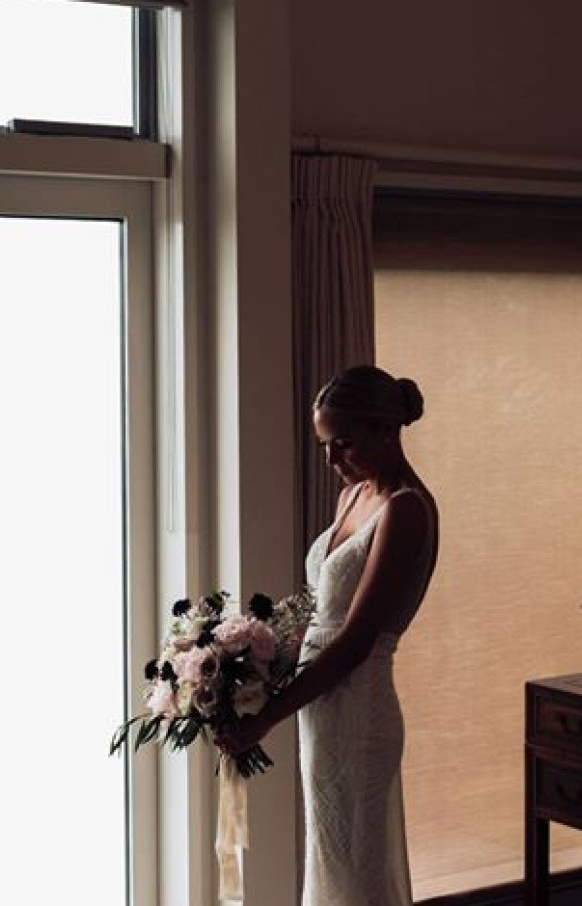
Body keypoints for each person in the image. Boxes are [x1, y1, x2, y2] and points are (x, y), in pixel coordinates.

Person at [220, 364, 439, 906]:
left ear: (386, 431)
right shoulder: (352, 497)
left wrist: (269, 716)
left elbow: (356, 639)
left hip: (360, 708)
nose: (330, 459)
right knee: (329, 856)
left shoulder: (405, 510)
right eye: (325, 443)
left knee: (358, 867)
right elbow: (320, 612)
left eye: (342, 442)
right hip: (321, 710)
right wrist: (251, 662)